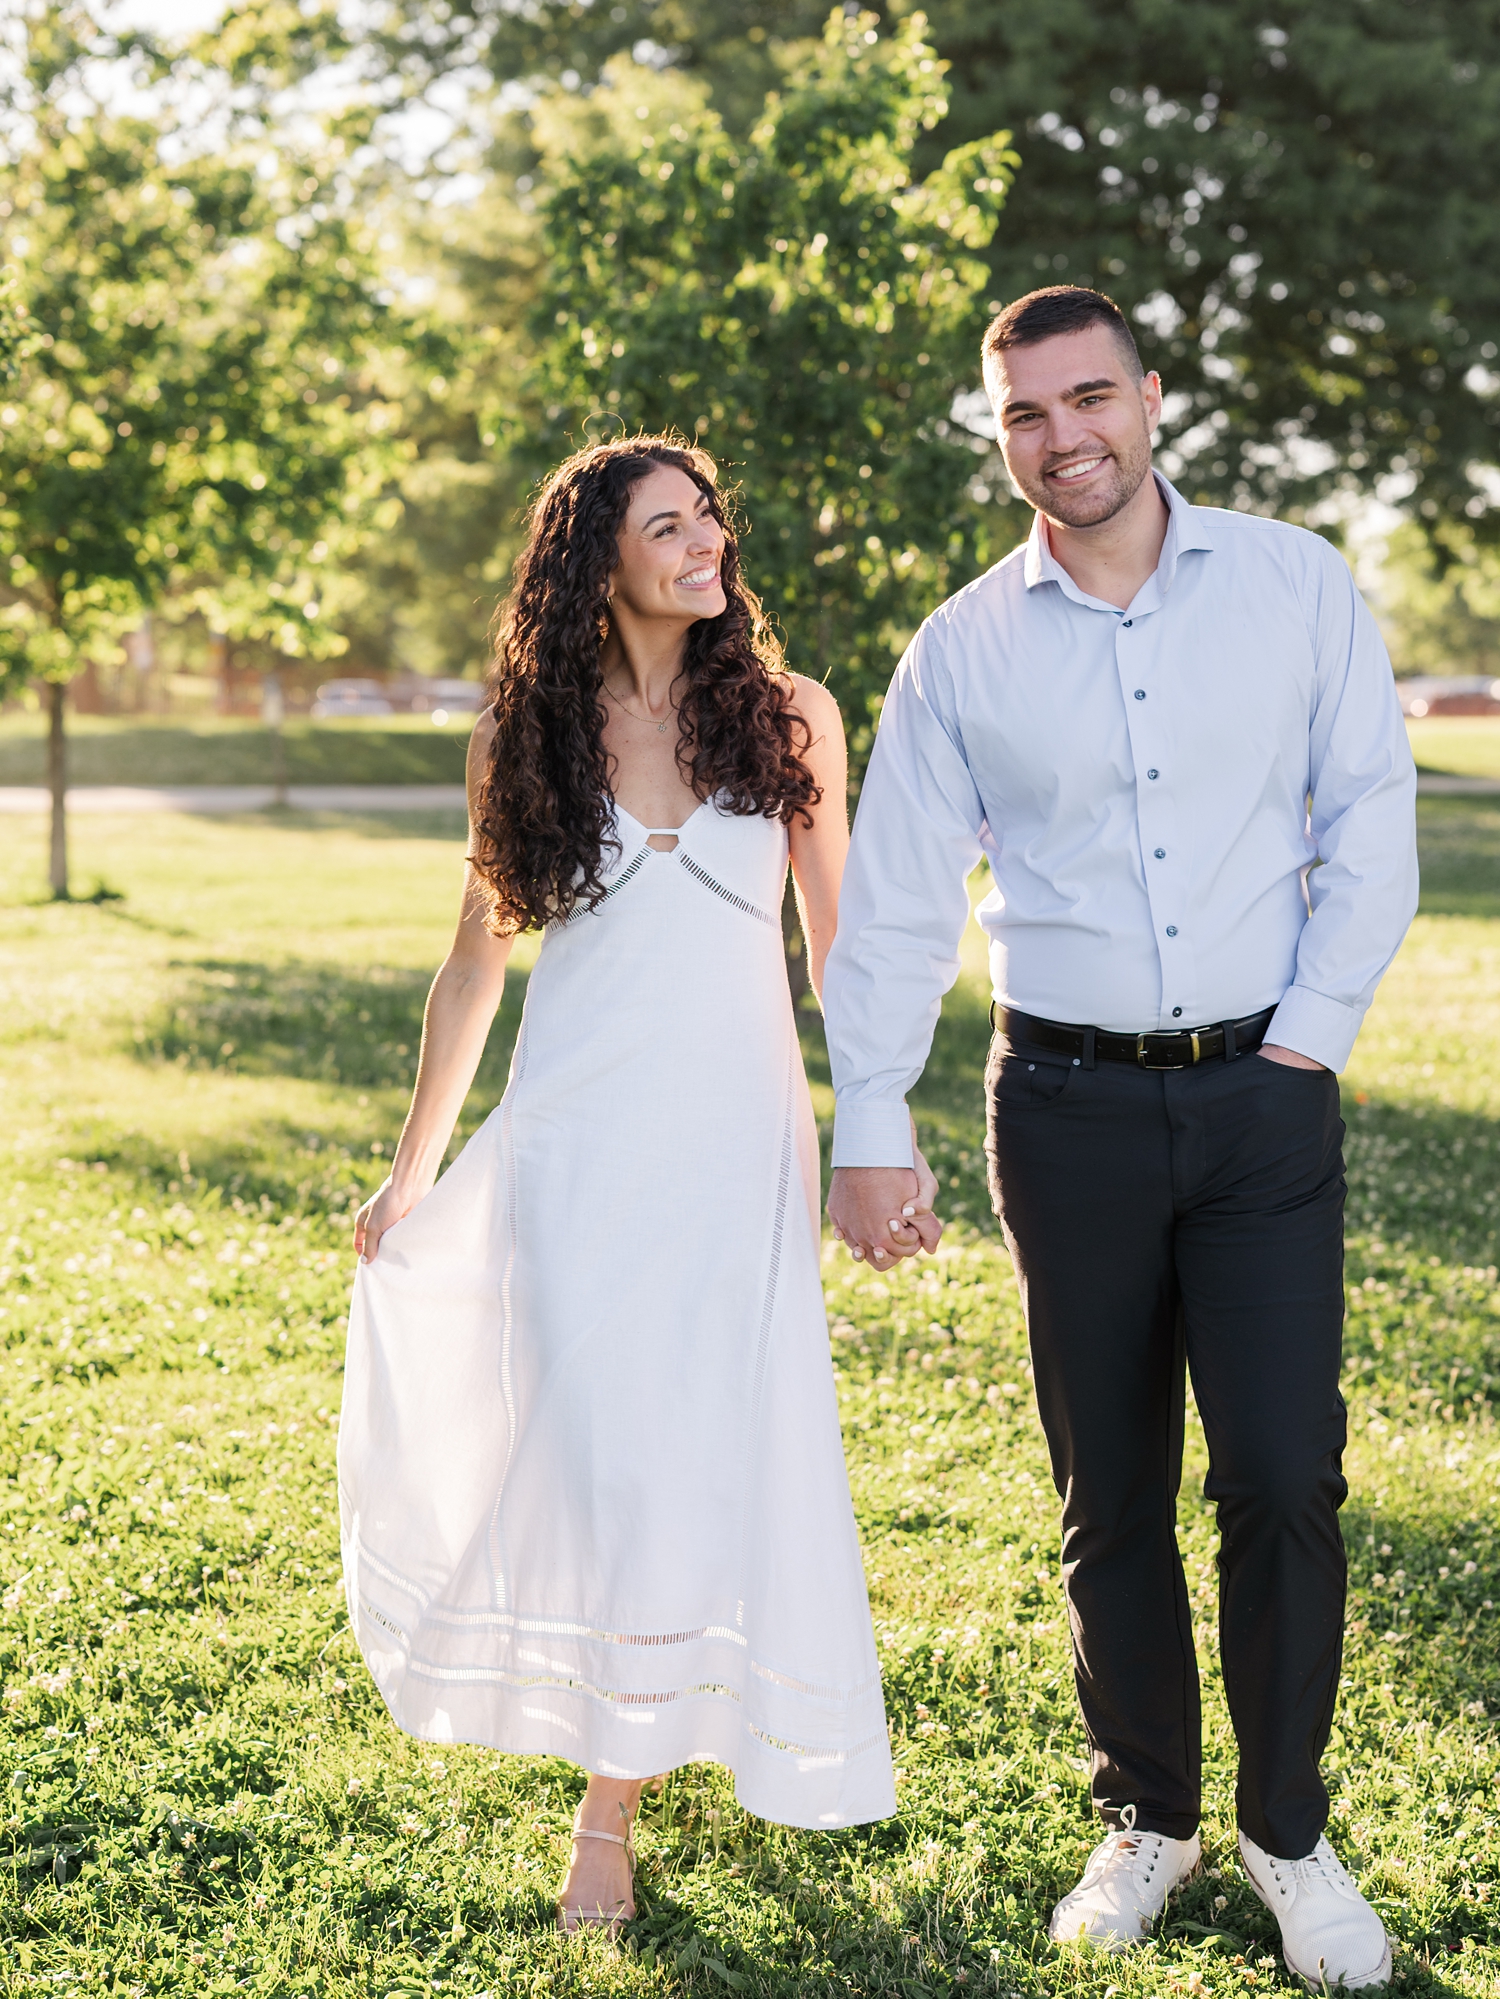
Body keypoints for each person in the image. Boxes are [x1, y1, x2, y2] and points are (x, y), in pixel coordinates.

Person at [823, 288, 1417, 1990]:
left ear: (1151, 399)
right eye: (1026, 413)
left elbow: (1371, 806)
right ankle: (1148, 1818)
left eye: (1091, 398)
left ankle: (1286, 1833)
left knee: (1287, 1475)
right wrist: (872, 1122)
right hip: (1063, 1109)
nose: (1063, 436)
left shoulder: (1296, 582)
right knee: (1111, 1497)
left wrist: (1312, 1034)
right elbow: (900, 911)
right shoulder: (959, 649)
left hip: (1262, 1103)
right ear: (995, 430)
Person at [337, 436, 931, 1935]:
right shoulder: (521, 741)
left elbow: (837, 944)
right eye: (667, 525)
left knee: (695, 1450)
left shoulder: (792, 717)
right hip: (577, 1144)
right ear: (595, 563)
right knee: (602, 1453)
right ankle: (632, 1735)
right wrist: (411, 1175)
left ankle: (613, 1805)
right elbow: (477, 962)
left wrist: (882, 1128)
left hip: (739, 1144)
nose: (704, 541)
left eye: (709, 514)